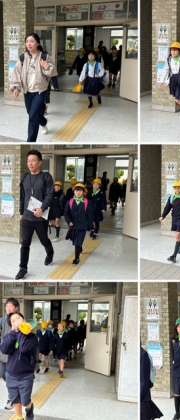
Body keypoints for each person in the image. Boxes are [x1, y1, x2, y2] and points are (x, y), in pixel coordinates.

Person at [10, 33, 57, 142]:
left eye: (31, 41)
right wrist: (16, 87)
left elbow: (53, 72)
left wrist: (47, 67)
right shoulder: (22, 58)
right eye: (27, 41)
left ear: (38, 43)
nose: (29, 44)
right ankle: (43, 122)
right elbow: (16, 73)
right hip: (27, 92)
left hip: (40, 91)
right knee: (31, 113)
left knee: (32, 117)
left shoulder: (44, 57)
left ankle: (30, 141)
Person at [16, 150, 54, 280]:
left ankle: (50, 253)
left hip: (40, 217)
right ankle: (23, 268)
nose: (30, 163)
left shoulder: (46, 177)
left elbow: (50, 195)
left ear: (40, 162)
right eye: (28, 161)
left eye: (33, 160)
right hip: (27, 217)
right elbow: (23, 196)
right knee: (25, 243)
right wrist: (21, 213)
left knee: (44, 240)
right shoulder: (25, 177)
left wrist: (42, 208)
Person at [0, 312, 38, 420]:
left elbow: (24, 348)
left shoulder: (32, 336)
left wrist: (24, 332)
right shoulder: (10, 336)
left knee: (25, 401)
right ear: (11, 325)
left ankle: (29, 409)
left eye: (18, 318)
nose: (16, 321)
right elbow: (4, 349)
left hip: (26, 376)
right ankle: (19, 417)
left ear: (23, 320)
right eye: (13, 321)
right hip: (11, 374)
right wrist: (13, 333)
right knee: (15, 399)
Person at [64, 183, 94, 265]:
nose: (78, 192)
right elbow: (66, 213)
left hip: (82, 226)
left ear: (83, 192)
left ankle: (76, 258)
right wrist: (69, 221)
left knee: (77, 242)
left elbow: (90, 215)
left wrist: (89, 225)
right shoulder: (70, 202)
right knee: (75, 241)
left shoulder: (87, 202)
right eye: (77, 190)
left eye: (80, 190)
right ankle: (79, 248)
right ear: (74, 191)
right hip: (73, 226)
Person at [159, 180, 180, 263]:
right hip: (174, 219)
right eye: (175, 188)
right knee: (178, 235)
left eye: (179, 188)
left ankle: (173, 256)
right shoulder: (172, 197)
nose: (177, 189)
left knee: (178, 236)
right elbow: (167, 207)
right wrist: (163, 216)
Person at [0, 298, 20, 410]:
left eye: (10, 306)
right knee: (3, 374)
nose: (7, 308)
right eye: (6, 306)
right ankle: (15, 392)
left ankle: (12, 398)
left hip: (14, 355)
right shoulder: (2, 320)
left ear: (16, 308)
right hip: (3, 354)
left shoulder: (20, 320)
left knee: (11, 377)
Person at [141, 346, 163, 420]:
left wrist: (150, 382)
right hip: (144, 389)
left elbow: (152, 371)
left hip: (144, 389)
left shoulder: (144, 355)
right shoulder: (144, 354)